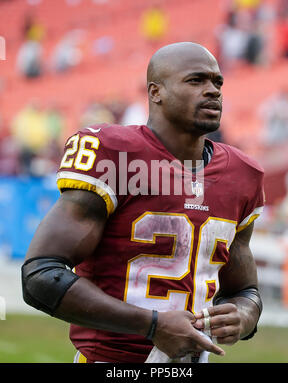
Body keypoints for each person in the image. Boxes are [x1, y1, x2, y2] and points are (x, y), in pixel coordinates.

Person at [21, 42, 264, 363]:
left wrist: (245, 316)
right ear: (155, 92)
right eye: (196, 81)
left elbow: (245, 289)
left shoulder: (242, 174)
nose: (213, 91)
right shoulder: (114, 155)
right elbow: (41, 275)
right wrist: (151, 325)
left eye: (217, 82)